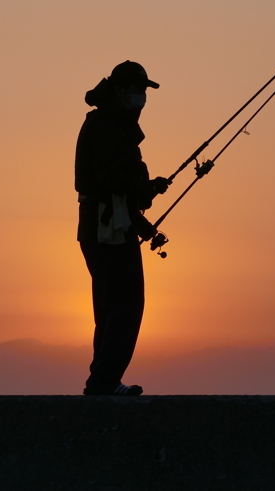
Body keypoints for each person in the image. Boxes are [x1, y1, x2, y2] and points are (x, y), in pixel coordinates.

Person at [75, 61, 170, 396]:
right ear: (119, 91)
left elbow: (112, 183)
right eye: (137, 90)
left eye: (144, 91)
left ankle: (102, 380)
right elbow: (109, 179)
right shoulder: (108, 126)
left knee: (111, 307)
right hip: (107, 228)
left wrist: (141, 216)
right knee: (126, 305)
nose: (141, 97)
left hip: (106, 225)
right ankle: (104, 381)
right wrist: (146, 188)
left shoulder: (109, 123)